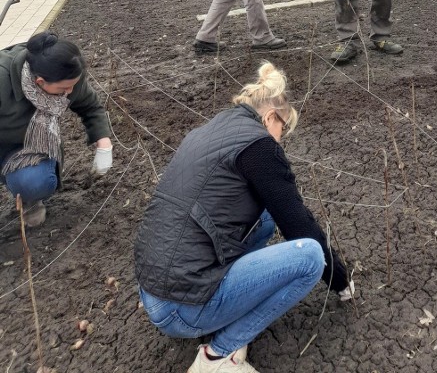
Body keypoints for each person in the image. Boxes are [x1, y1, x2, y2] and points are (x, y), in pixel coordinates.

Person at [135, 61, 354, 373]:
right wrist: (340, 279)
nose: (281, 139)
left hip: (154, 288)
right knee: (310, 258)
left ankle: (223, 303)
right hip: (180, 308)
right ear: (269, 118)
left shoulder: (211, 129)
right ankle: (216, 355)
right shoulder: (259, 145)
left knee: (264, 216)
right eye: (283, 129)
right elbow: (299, 227)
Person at [0, 31, 113, 227]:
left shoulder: (68, 78)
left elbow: (91, 107)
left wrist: (104, 143)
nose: (69, 93)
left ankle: (30, 199)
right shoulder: (2, 79)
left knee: (36, 182)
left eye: (72, 86)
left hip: (26, 149)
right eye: (63, 89)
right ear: (40, 82)